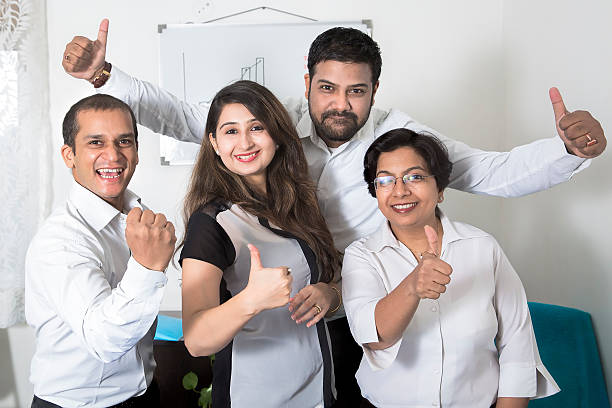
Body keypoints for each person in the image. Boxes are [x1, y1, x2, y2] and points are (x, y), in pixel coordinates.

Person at [62, 20, 606, 406]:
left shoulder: (401, 138)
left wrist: (567, 151)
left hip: (364, 314)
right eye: (326, 88)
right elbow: (190, 119)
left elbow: (487, 171)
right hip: (269, 323)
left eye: (356, 91)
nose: (339, 104)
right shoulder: (272, 126)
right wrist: (106, 77)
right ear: (307, 85)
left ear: (375, 92)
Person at [341, 128, 560, 408]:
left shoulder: (482, 247)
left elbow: (518, 345)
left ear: (441, 189)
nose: (400, 191)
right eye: (385, 181)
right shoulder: (361, 255)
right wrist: (413, 285)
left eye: (415, 177)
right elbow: (375, 338)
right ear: (375, 192)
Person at [178, 80, 343, 408]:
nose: (245, 142)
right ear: (213, 142)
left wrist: (330, 294)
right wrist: (251, 300)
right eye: (230, 131)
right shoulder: (211, 222)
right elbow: (196, 340)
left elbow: (331, 278)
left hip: (319, 393)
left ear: (277, 135)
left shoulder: (299, 205)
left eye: (257, 127)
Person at [25, 94, 176, 408]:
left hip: (144, 395)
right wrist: (148, 268)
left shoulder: (138, 214)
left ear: (136, 151)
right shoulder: (61, 241)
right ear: (69, 155)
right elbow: (104, 341)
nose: (113, 155)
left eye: (124, 141)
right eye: (96, 143)